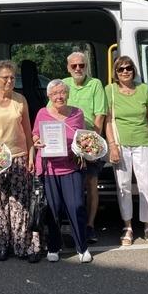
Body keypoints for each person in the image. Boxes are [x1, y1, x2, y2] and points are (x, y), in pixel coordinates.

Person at [0, 59, 40, 262]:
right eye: (5, 78)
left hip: (19, 157)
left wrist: (31, 156)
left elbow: (28, 132)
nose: (10, 81)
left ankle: (23, 246)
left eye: (13, 77)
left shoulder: (20, 100)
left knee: (19, 205)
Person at [32, 79, 92, 263]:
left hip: (71, 167)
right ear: (49, 96)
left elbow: (83, 138)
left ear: (67, 94)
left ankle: (82, 247)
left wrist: (85, 147)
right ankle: (54, 247)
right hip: (50, 168)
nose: (59, 96)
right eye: (55, 93)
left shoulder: (77, 113)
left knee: (76, 207)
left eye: (62, 92)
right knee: (53, 209)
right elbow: (35, 135)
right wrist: (37, 142)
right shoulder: (42, 113)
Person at [104, 56, 148, 246]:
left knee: (146, 185)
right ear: (116, 73)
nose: (125, 71)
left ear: (133, 70)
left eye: (128, 68)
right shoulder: (110, 90)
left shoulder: (143, 89)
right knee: (123, 186)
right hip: (121, 145)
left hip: (143, 143)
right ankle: (127, 226)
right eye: (120, 69)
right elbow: (108, 121)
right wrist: (112, 145)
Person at [63, 51, 106, 243]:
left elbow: (100, 115)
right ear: (68, 68)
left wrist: (92, 144)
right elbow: (52, 110)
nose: (78, 69)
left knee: (91, 185)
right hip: (68, 145)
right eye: (74, 66)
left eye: (82, 65)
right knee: (74, 187)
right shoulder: (62, 85)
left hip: (89, 143)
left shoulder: (95, 84)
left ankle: (89, 226)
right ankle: (75, 225)